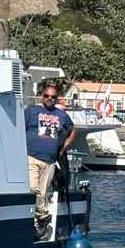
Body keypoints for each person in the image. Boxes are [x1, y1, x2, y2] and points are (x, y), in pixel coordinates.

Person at [25, 81, 76, 238]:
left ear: (56, 98)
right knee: (33, 189)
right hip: (31, 157)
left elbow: (73, 130)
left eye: (53, 97)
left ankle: (39, 226)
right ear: (42, 96)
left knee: (43, 192)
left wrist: (64, 147)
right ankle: (44, 215)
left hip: (50, 161)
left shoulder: (62, 115)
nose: (49, 99)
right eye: (46, 96)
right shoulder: (32, 111)